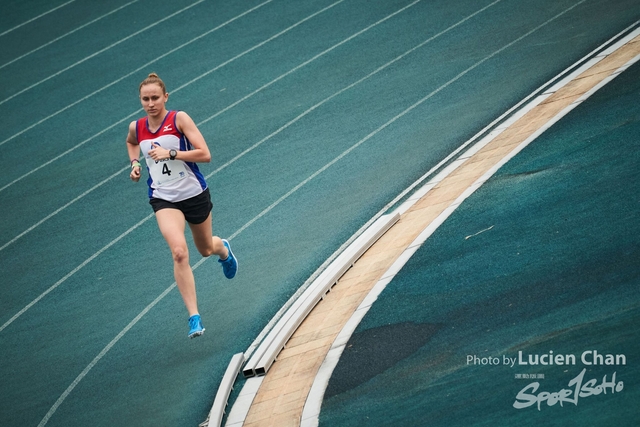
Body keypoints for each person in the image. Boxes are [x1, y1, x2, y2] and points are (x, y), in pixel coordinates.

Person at [126, 72, 237, 339]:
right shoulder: (137, 127)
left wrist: (171, 153)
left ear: (165, 97)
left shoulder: (179, 119)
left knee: (204, 249)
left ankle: (222, 248)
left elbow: (205, 154)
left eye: (155, 98)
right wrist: (135, 164)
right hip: (163, 197)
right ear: (140, 100)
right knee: (178, 252)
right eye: (145, 99)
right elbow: (131, 144)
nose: (150, 103)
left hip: (193, 193)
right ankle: (194, 317)